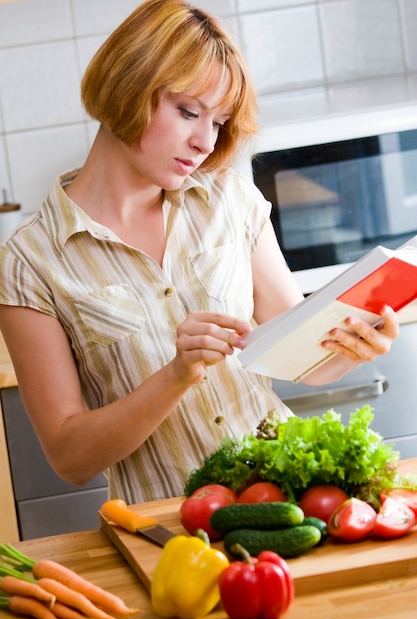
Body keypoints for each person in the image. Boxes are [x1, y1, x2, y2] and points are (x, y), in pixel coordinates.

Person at [0, 0, 398, 504]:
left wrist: (352, 349)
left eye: (218, 122)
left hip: (285, 502)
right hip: (171, 529)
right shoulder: (29, 261)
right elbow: (70, 458)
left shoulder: (228, 200)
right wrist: (176, 374)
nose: (205, 142)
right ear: (128, 88)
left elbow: (302, 359)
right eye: (189, 112)